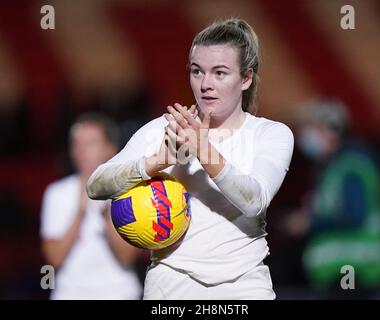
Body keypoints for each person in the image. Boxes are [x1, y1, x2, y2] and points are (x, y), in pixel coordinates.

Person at [87, 18, 294, 300]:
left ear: (246, 78)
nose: (206, 83)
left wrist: (202, 148)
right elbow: (96, 185)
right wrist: (157, 161)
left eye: (220, 73)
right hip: (170, 285)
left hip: (245, 286)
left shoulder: (271, 134)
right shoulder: (163, 130)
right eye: (197, 71)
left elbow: (254, 201)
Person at [294, 98, 380, 299]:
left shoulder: (351, 166)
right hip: (343, 272)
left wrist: (309, 222)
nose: (305, 135)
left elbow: (353, 216)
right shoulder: (333, 167)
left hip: (352, 269)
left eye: (311, 127)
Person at [40, 113, 143, 299]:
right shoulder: (56, 193)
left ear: (110, 149)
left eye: (91, 143)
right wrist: (79, 212)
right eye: (76, 144)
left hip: (119, 294)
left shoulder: (127, 192)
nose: (81, 151)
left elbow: (127, 257)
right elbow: (53, 260)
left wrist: (107, 214)